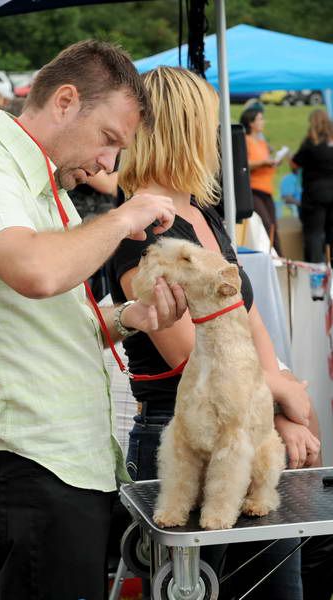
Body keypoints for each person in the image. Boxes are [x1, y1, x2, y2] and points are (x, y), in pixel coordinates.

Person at [0, 40, 188, 600]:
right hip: (34, 465)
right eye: (109, 139)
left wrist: (132, 316)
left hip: (69, 465)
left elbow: (62, 318)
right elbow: (37, 272)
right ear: (66, 101)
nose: (109, 164)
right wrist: (124, 215)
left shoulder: (48, 189)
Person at [108, 66, 321, 600]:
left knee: (277, 588)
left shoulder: (202, 213)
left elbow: (246, 319)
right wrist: (281, 393)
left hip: (246, 423)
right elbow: (190, 359)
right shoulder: (139, 230)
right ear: (186, 129)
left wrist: (276, 408)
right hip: (185, 435)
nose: (221, 138)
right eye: (211, 123)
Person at [292, 109, 333, 264]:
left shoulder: (310, 142)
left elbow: (295, 164)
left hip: (314, 194)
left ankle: (315, 269)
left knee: (314, 233)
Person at [240, 107, 282, 255]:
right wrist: (263, 162)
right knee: (265, 223)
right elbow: (244, 163)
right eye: (260, 119)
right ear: (251, 123)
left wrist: (273, 162)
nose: (263, 122)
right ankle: (270, 256)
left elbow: (263, 162)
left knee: (273, 226)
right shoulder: (246, 140)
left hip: (267, 189)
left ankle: (279, 257)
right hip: (254, 188)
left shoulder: (263, 143)